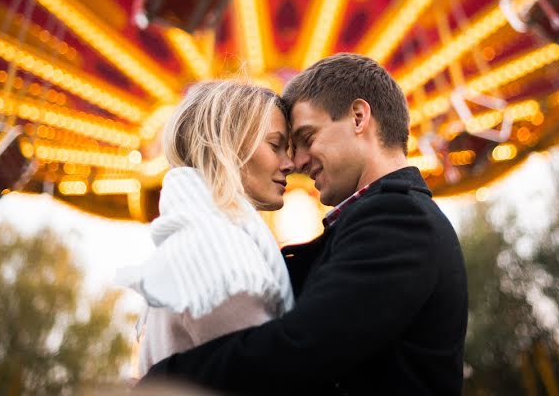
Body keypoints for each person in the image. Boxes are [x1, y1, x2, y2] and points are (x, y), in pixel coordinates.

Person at [142, 53, 468, 395]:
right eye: (282, 146)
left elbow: (304, 345)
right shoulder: (386, 217)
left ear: (358, 118)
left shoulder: (402, 218)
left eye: (307, 138)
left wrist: (164, 379)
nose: (296, 161)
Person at [119, 80, 296, 378]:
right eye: (275, 145)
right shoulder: (221, 255)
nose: (290, 163)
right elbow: (269, 378)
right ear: (227, 145)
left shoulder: (196, 237)